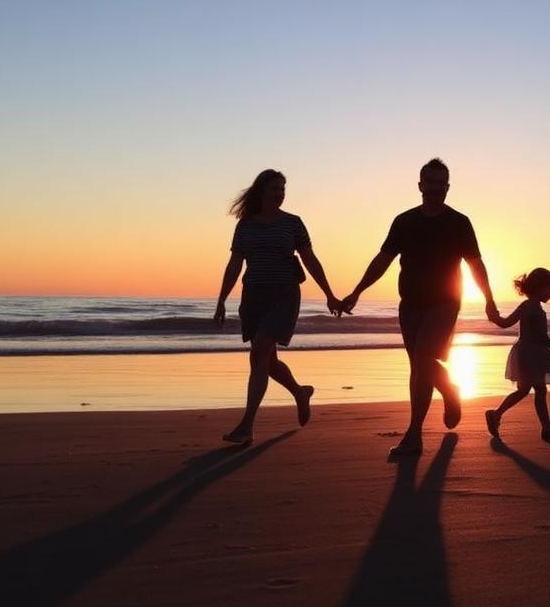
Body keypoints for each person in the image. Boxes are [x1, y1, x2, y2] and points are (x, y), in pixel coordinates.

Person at [341, 158, 498, 457]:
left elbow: (476, 264)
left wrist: (489, 299)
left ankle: (414, 435)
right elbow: (383, 259)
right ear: (420, 185)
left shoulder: (459, 222)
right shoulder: (404, 221)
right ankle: (450, 390)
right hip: (410, 303)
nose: (437, 188)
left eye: (442, 183)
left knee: (424, 360)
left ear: (448, 187)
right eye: (431, 182)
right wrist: (357, 291)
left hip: (445, 302)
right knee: (420, 365)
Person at [213, 169, 342, 446]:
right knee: (266, 361)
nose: (279, 194)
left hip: (283, 297)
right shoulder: (245, 225)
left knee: (259, 353)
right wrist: (222, 299)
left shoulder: (293, 223)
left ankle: (247, 426)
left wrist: (329, 294)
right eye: (274, 189)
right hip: (253, 297)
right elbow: (235, 264)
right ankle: (299, 392)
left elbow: (310, 260)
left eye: (283, 189)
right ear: (261, 191)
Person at [484, 268, 550, 441]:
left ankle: (496, 414)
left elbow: (506, 323)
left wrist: (494, 317)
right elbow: (541, 336)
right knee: (539, 389)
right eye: (549, 289)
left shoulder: (527, 306)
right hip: (533, 353)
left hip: (525, 352)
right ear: (538, 288)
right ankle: (547, 429)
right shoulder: (534, 308)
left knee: (524, 390)